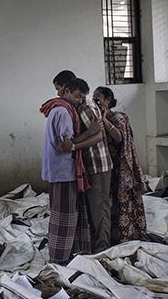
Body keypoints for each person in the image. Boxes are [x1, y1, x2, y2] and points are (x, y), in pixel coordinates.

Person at [40, 78, 101, 264]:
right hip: (63, 171)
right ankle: (59, 258)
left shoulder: (59, 109)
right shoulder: (64, 112)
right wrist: (90, 133)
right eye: (76, 96)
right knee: (64, 216)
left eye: (82, 98)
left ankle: (66, 253)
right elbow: (65, 145)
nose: (79, 101)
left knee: (65, 212)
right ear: (66, 91)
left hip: (60, 171)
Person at [93, 86, 147, 244]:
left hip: (122, 166)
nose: (95, 102)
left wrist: (104, 119)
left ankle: (128, 235)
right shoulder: (97, 117)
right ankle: (113, 235)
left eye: (98, 99)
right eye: (93, 99)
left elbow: (119, 138)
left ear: (107, 100)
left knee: (124, 201)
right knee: (110, 202)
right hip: (109, 166)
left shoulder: (118, 117)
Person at [78, 88, 113, 254]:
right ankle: (100, 244)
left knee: (99, 208)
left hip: (98, 164)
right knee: (99, 206)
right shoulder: (89, 108)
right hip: (98, 164)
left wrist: (73, 144)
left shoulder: (85, 109)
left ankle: (102, 247)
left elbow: (97, 135)